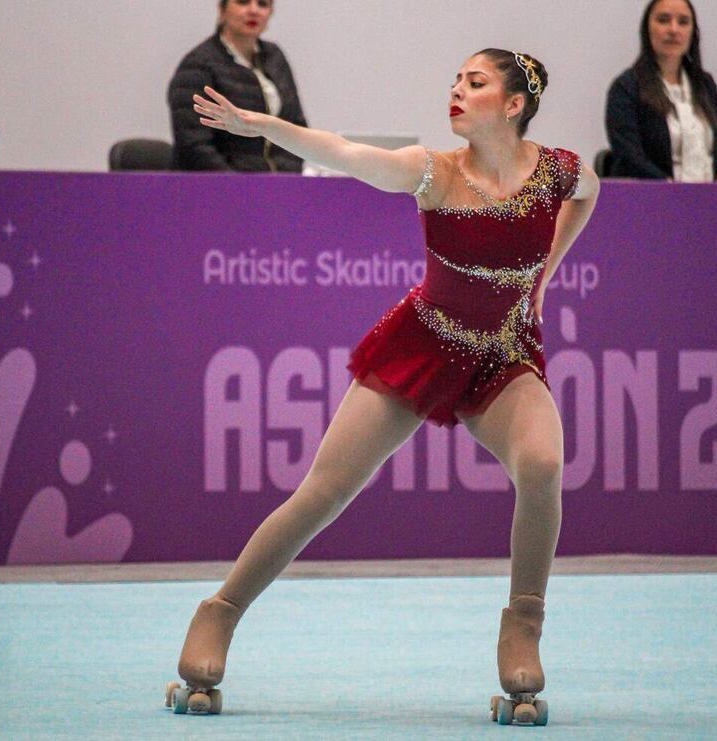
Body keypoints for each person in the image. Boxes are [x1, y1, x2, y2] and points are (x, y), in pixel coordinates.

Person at [169, 48, 600, 723]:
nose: (456, 89)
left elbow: (590, 193)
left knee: (543, 462)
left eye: (475, 82)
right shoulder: (430, 171)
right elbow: (339, 150)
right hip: (424, 344)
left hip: (502, 356)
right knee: (325, 490)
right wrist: (264, 128)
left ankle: (522, 623)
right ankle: (219, 611)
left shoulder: (556, 172)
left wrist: (544, 275)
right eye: (454, 79)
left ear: (513, 105)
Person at [168, 0, 307, 172]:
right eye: (243, 2)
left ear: (271, 12)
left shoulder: (274, 56)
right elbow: (193, 144)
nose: (254, 10)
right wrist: (237, 186)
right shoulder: (199, 64)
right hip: (220, 187)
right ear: (222, 9)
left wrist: (287, 178)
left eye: (262, 4)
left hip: (278, 185)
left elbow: (296, 126)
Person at [605, 0, 717, 181]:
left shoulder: (704, 84)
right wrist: (667, 187)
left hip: (710, 198)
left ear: (693, 32)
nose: (673, 29)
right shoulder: (626, 87)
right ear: (647, 29)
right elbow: (629, 155)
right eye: (663, 20)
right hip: (655, 199)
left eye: (683, 22)